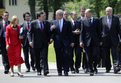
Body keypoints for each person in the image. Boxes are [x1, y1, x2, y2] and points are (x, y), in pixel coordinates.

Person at [50, 9, 74, 76]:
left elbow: (70, 33)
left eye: (57, 15)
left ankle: (66, 71)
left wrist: (72, 41)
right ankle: (59, 71)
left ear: (61, 15)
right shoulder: (53, 22)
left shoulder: (67, 22)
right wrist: (51, 29)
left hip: (66, 42)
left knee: (66, 56)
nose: (56, 16)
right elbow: (51, 33)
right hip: (57, 42)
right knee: (58, 56)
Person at [80, 9, 102, 76]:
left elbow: (99, 31)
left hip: (95, 41)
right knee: (88, 57)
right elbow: (82, 32)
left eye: (86, 13)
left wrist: (100, 40)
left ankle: (95, 67)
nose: (85, 15)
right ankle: (91, 70)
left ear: (90, 13)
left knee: (95, 55)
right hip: (87, 41)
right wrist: (81, 41)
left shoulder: (96, 20)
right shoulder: (83, 21)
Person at [29, 12, 50, 76]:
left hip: (44, 43)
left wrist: (49, 39)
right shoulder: (33, 23)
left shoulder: (46, 23)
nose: (44, 17)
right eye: (42, 16)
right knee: (37, 57)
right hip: (36, 43)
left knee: (44, 56)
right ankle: (38, 70)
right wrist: (30, 41)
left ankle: (45, 69)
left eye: (44, 16)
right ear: (38, 17)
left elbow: (48, 32)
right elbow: (30, 33)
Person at [100, 7, 120, 73]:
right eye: (106, 11)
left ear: (111, 11)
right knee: (106, 54)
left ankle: (116, 67)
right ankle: (108, 67)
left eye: (108, 11)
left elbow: (118, 30)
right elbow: (100, 29)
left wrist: (119, 39)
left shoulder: (116, 18)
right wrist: (100, 39)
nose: (107, 13)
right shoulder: (102, 18)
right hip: (105, 39)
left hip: (114, 39)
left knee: (114, 53)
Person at [77, 7, 89, 73]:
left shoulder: (88, 19)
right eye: (82, 11)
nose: (83, 12)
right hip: (78, 39)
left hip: (86, 39)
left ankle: (85, 66)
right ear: (80, 12)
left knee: (85, 54)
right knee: (78, 54)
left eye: (84, 11)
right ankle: (77, 66)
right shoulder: (78, 19)